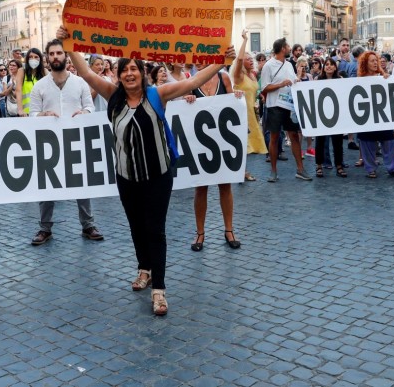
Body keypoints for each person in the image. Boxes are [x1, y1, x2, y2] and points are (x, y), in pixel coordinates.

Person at [62, 27, 236, 316]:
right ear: (118, 75)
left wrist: (220, 61)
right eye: (124, 70)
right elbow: (87, 74)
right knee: (135, 226)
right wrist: (70, 45)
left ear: (142, 73)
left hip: (157, 176)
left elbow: (193, 80)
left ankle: (159, 290)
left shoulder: (158, 95)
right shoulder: (112, 95)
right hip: (126, 176)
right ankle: (144, 268)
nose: (129, 73)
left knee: (155, 229)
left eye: (134, 69)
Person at [29, 40, 103, 245]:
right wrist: (42, 114)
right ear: (47, 58)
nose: (55, 57)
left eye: (59, 53)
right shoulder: (40, 86)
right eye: (51, 54)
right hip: (49, 143)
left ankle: (88, 224)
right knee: (47, 186)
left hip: (75, 140)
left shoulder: (80, 83)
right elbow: (32, 114)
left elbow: (90, 107)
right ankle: (45, 228)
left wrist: (84, 112)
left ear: (66, 56)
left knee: (81, 182)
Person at [188, 57, 244, 252]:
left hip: (222, 139)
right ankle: (200, 232)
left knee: (225, 185)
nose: (200, 62)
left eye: (203, 58)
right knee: (200, 188)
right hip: (201, 143)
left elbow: (233, 104)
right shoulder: (190, 82)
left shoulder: (223, 77)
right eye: (196, 59)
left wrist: (236, 95)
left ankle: (229, 230)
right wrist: (187, 100)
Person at [260, 38, 311, 182]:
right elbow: (264, 87)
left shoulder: (289, 65)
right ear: (282, 48)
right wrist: (281, 84)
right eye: (288, 46)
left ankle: (300, 169)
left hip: (289, 106)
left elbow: (293, 81)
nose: (290, 48)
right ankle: (273, 171)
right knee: (275, 138)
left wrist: (297, 80)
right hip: (274, 106)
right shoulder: (268, 66)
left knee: (294, 135)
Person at [356, 51, 394, 179]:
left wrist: (388, 80)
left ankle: (392, 168)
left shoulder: (384, 77)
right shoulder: (359, 80)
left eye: (375, 60)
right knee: (367, 143)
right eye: (371, 61)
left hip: (382, 116)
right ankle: (370, 168)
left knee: (389, 141)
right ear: (365, 63)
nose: (374, 63)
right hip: (367, 117)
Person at [231, 31, 267, 181]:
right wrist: (245, 40)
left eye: (251, 58)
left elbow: (254, 90)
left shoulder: (252, 75)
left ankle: (241, 170)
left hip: (251, 111)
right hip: (240, 112)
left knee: (246, 143)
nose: (251, 61)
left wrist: (261, 96)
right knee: (242, 142)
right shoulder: (238, 75)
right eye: (248, 59)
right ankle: (242, 171)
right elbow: (238, 59)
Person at [14, 48, 46, 117]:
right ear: (27, 59)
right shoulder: (22, 71)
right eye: (30, 57)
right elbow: (18, 91)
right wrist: (20, 110)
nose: (33, 59)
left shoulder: (45, 72)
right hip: (26, 113)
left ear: (40, 59)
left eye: (36, 57)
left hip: (42, 113)